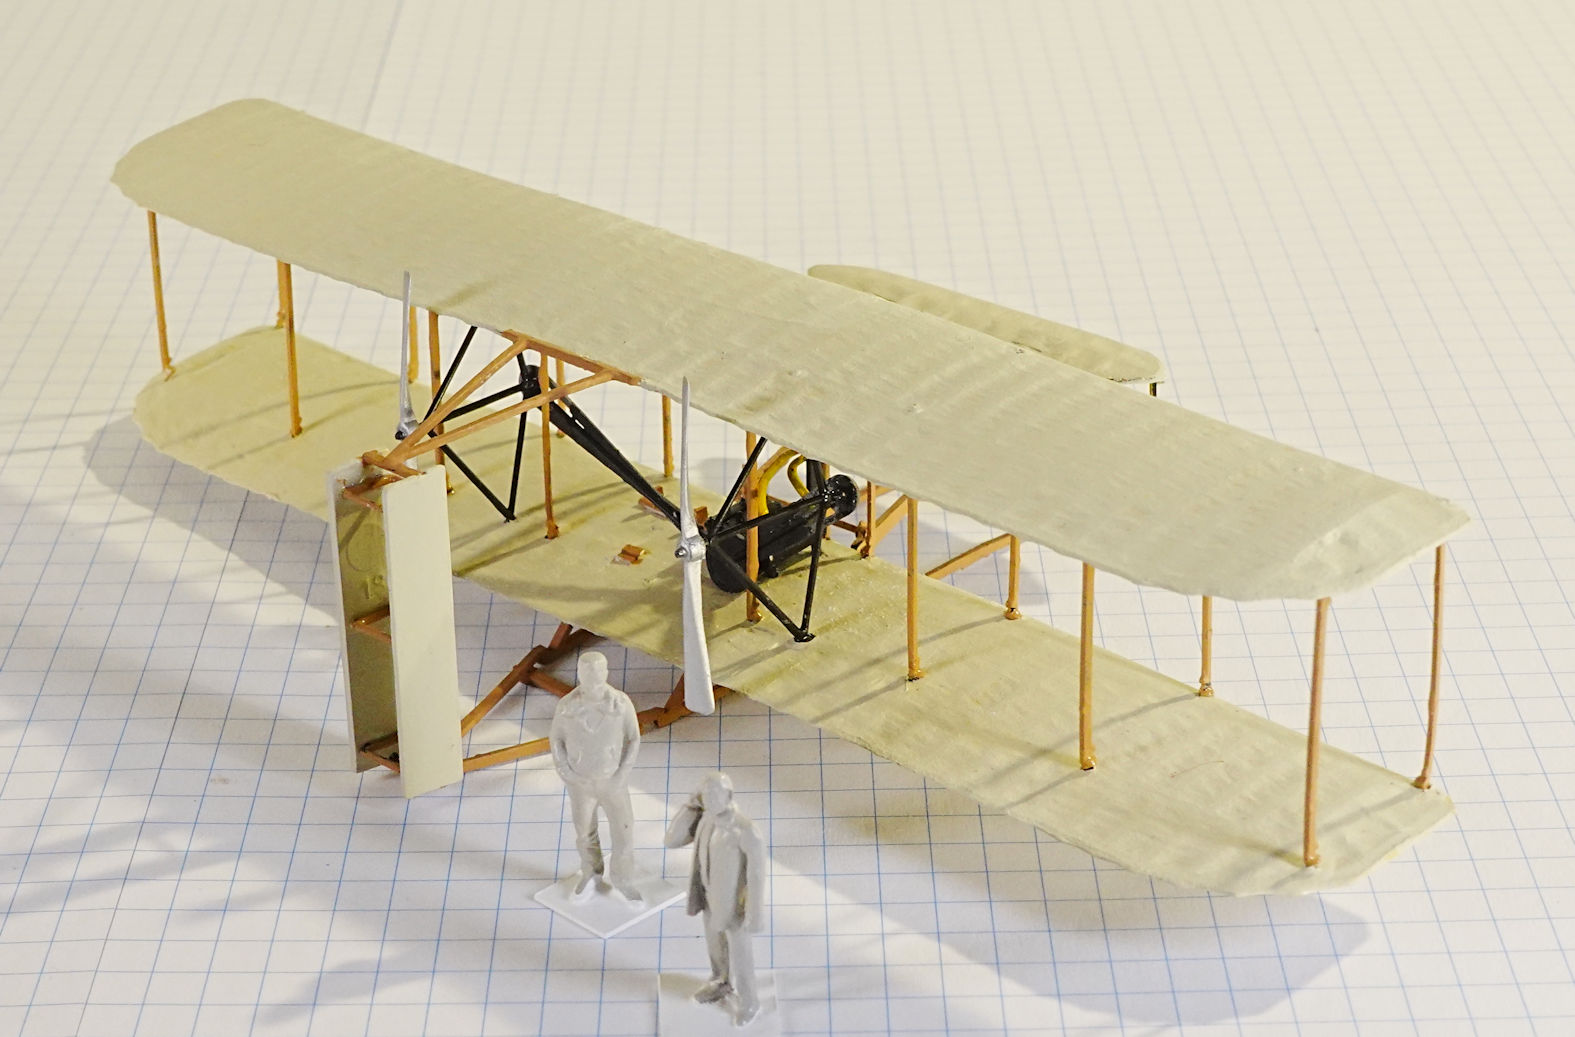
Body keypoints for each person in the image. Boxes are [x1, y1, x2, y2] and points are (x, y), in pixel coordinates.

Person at [665, 772, 766, 1026]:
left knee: (741, 955)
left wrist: (754, 914)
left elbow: (756, 876)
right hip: (709, 897)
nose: (708, 800)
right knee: (715, 946)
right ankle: (721, 981)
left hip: (736, 906)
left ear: (729, 795)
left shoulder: (746, 830)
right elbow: (671, 840)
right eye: (705, 795)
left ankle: (750, 1001)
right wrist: (691, 805)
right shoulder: (706, 820)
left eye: (714, 795)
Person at [549, 652, 643, 900]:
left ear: (606, 672)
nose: (594, 676)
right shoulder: (567, 707)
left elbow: (633, 739)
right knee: (584, 832)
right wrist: (567, 773)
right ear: (579, 673)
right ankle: (591, 872)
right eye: (587, 671)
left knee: (624, 829)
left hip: (612, 781)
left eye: (599, 670)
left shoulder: (620, 703)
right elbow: (556, 740)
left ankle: (623, 878)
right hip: (581, 783)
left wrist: (621, 775)